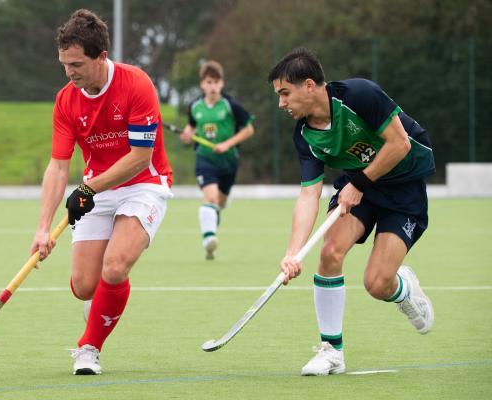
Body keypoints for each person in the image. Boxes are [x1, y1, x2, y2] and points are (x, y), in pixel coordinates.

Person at [267, 47, 435, 376]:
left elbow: (399, 144)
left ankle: (403, 289)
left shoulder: (359, 95)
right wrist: (293, 253)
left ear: (310, 86)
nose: (281, 103)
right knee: (329, 251)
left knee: (376, 284)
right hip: (359, 185)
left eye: (285, 93)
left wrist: (358, 182)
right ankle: (332, 352)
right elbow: (308, 195)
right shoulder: (305, 135)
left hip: (403, 185)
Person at [29, 9, 172, 376]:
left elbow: (140, 158)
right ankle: (94, 309)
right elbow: (58, 165)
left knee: (115, 265)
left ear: (101, 57)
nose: (69, 72)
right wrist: (43, 227)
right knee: (84, 286)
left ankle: (88, 347)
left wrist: (88, 187)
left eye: (76, 64)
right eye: (64, 64)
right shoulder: (66, 100)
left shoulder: (136, 84)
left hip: (144, 184)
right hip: (96, 189)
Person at [179, 60, 254, 260]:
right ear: (202, 84)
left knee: (219, 203)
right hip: (205, 159)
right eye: (209, 82)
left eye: (216, 82)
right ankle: (209, 239)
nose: (213, 86)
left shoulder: (230, 105)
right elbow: (191, 127)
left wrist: (228, 144)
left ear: (222, 83)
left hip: (229, 162)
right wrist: (187, 134)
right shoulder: (195, 106)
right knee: (210, 198)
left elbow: (248, 129)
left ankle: (213, 220)